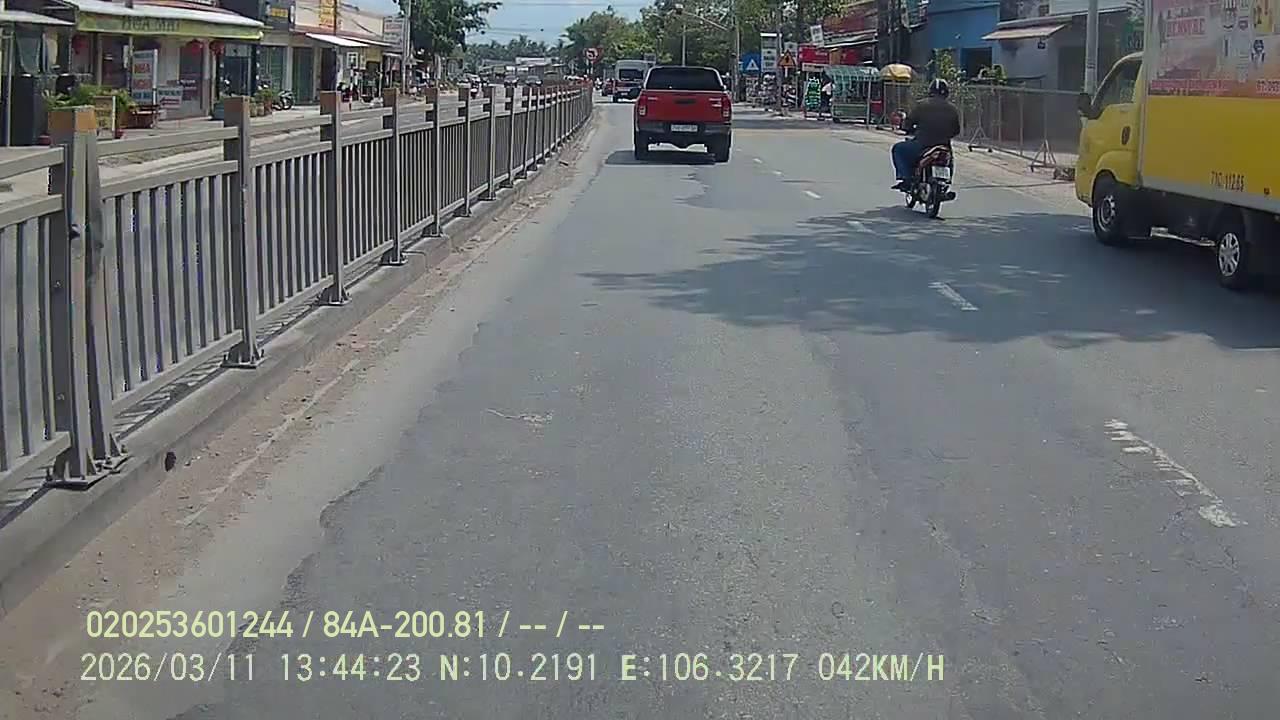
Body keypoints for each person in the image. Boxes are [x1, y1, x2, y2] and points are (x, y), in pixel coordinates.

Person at [892, 78, 961, 191]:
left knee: (898, 149)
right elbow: (956, 130)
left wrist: (907, 128)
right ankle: (946, 182)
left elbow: (908, 124)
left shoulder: (921, 105)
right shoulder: (952, 109)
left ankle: (906, 178)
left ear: (930, 91)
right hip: (944, 145)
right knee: (949, 159)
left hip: (922, 145)